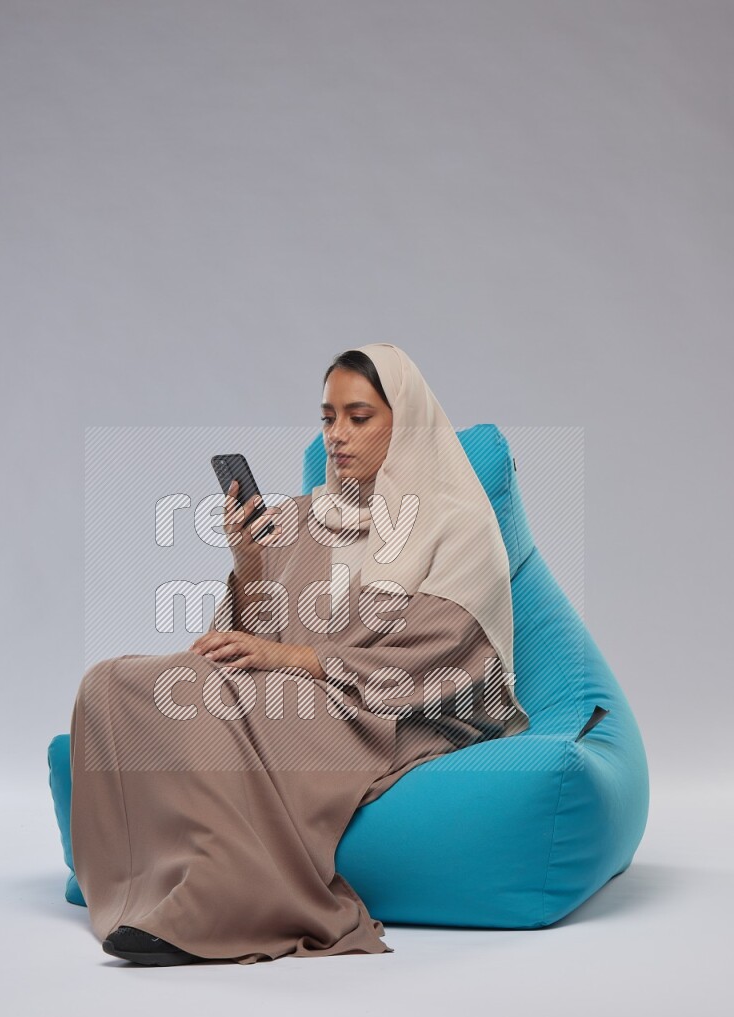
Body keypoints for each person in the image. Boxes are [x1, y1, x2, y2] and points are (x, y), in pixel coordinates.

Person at [69, 342, 530, 966]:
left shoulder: (458, 524)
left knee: (218, 706)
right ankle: (144, 887)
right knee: (111, 684)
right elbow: (259, 639)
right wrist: (250, 563)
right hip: (306, 688)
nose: (337, 436)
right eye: (327, 417)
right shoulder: (304, 516)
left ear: (406, 421)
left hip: (391, 711)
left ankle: (225, 897)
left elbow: (441, 659)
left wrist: (289, 659)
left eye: (359, 417)